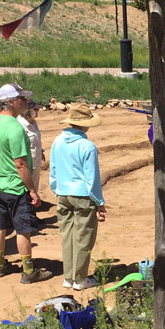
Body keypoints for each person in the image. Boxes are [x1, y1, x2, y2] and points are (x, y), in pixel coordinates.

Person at [0, 82, 52, 284]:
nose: (25, 101)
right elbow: (21, 164)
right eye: (21, 98)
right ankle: (29, 270)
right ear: (10, 101)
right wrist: (32, 190)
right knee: (23, 228)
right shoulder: (15, 128)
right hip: (15, 185)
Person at [49, 104, 106, 291]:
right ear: (86, 125)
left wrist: (57, 190)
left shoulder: (58, 141)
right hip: (82, 195)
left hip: (63, 193)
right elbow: (92, 178)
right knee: (84, 237)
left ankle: (68, 277)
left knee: (68, 236)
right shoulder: (87, 146)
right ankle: (80, 278)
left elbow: (54, 170)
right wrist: (99, 202)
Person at [17, 100, 43, 195]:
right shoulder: (19, 125)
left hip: (36, 161)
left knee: (35, 184)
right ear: (29, 111)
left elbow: (36, 139)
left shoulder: (34, 123)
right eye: (36, 110)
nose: (37, 112)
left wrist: (41, 151)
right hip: (26, 163)